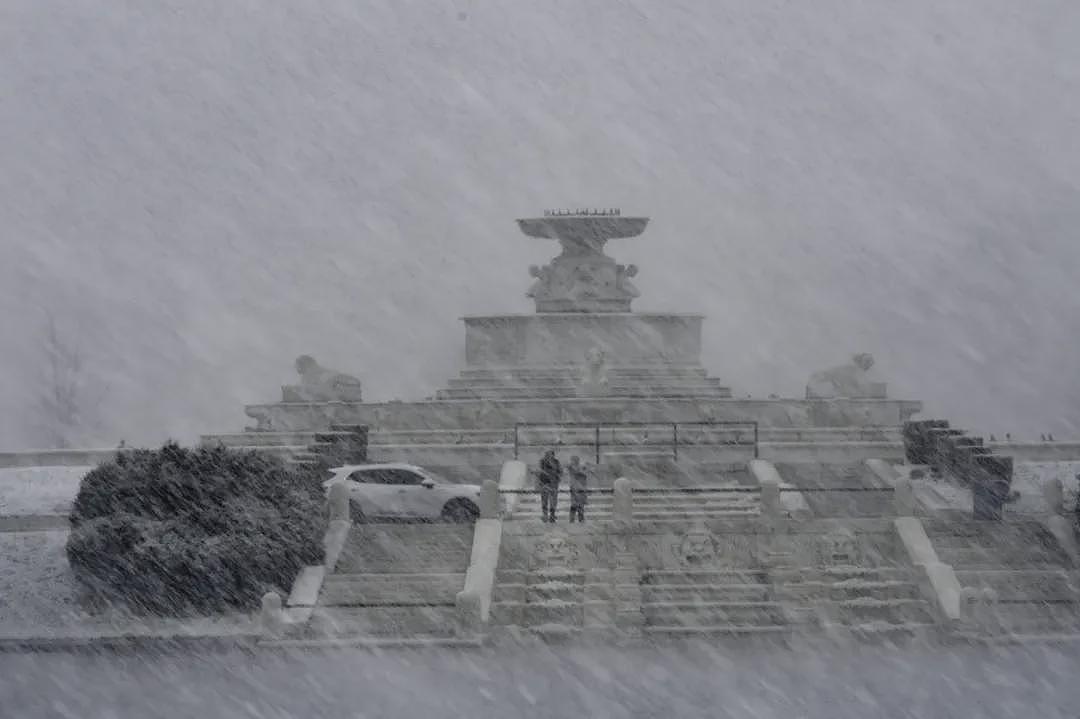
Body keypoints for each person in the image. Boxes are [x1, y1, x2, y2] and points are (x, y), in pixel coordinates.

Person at [537, 449, 562, 523]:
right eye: (547, 454)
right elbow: (539, 470)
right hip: (544, 483)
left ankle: (552, 515)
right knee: (544, 500)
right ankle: (545, 515)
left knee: (553, 501)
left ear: (553, 455)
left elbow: (560, 471)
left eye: (550, 454)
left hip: (553, 484)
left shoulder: (556, 462)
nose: (548, 455)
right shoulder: (542, 461)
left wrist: (557, 477)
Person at [568, 455, 588, 523]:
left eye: (576, 460)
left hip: (581, 488)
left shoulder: (581, 467)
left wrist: (580, 471)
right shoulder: (571, 467)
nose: (575, 461)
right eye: (573, 460)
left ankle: (580, 518)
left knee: (581, 505)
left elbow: (585, 475)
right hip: (574, 488)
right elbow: (574, 472)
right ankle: (572, 519)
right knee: (574, 504)